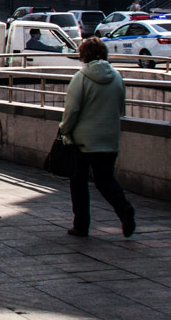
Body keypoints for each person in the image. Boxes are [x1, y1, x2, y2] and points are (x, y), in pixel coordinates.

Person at [58, 36, 135, 238]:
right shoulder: (117, 77)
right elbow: (120, 107)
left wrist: (64, 130)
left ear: (83, 56)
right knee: (105, 180)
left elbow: (72, 110)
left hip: (83, 140)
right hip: (109, 138)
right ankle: (124, 209)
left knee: (79, 182)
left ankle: (81, 225)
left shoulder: (81, 77)